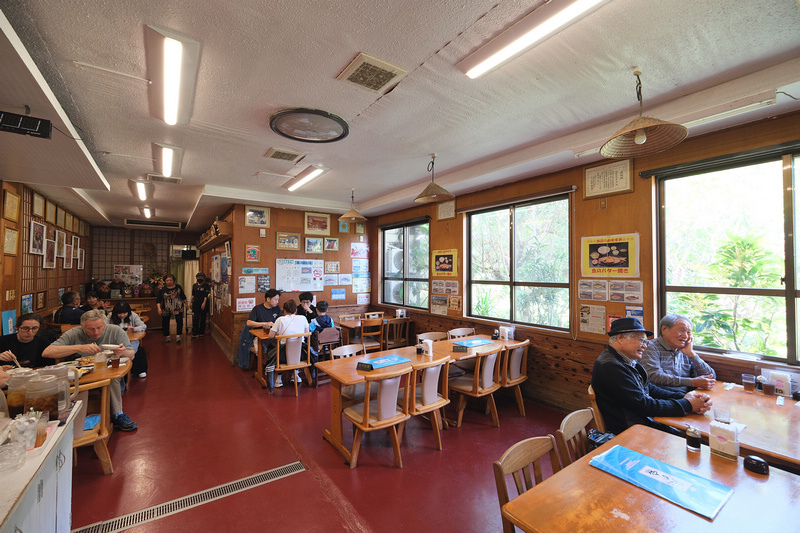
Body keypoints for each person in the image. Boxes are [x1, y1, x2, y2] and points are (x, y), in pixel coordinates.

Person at [591, 317, 712, 436]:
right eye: (641, 340)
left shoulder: (627, 360)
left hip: (642, 421)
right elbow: (643, 405)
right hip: (631, 430)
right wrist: (687, 404)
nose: (645, 346)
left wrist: (686, 397)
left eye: (645, 342)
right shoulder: (610, 366)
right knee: (691, 436)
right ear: (620, 338)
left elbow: (650, 389)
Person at [42, 310, 138, 431]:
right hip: (80, 372)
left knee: (112, 379)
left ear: (105, 324)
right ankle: (63, 418)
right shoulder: (74, 333)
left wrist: (123, 352)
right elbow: (47, 352)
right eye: (90, 329)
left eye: (99, 327)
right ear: (82, 327)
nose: (96, 332)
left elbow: (131, 355)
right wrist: (80, 347)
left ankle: (118, 415)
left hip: (107, 369)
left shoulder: (115, 330)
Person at [641, 314, 716, 393]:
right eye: (681, 331)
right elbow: (654, 376)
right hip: (662, 397)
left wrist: (692, 355)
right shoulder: (649, 347)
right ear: (664, 329)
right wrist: (692, 382)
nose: (685, 336)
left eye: (688, 332)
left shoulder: (685, 349)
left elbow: (711, 377)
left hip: (685, 396)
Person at [266, 299, 310, 390]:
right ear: (296, 310)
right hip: (301, 355)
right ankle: (296, 375)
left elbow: (270, 336)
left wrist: (279, 334)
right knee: (294, 348)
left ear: (284, 311)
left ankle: (278, 378)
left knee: (273, 348)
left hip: (283, 356)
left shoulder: (280, 319)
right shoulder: (303, 318)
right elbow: (306, 334)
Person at [109, 301, 148, 378]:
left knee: (139, 350)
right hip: (116, 342)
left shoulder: (133, 315)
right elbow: (105, 326)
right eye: (119, 313)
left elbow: (143, 326)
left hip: (130, 341)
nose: (122, 315)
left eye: (124, 313)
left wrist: (134, 328)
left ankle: (139, 370)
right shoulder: (110, 316)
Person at [157, 273, 187, 343]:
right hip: (167, 308)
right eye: (167, 280)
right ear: (165, 281)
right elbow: (158, 300)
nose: (169, 282)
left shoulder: (178, 287)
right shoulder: (162, 289)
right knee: (165, 322)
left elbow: (183, 296)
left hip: (178, 307)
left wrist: (186, 304)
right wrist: (159, 308)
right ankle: (167, 336)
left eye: (170, 280)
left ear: (173, 281)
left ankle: (178, 336)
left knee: (179, 321)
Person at [191, 272, 211, 338]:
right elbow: (192, 294)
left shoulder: (206, 286)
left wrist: (204, 303)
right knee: (195, 318)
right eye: (198, 277)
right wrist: (191, 302)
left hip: (203, 303)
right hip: (196, 303)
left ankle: (201, 332)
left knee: (203, 318)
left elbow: (206, 295)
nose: (200, 278)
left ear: (204, 278)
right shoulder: (194, 285)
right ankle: (195, 332)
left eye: (201, 277)